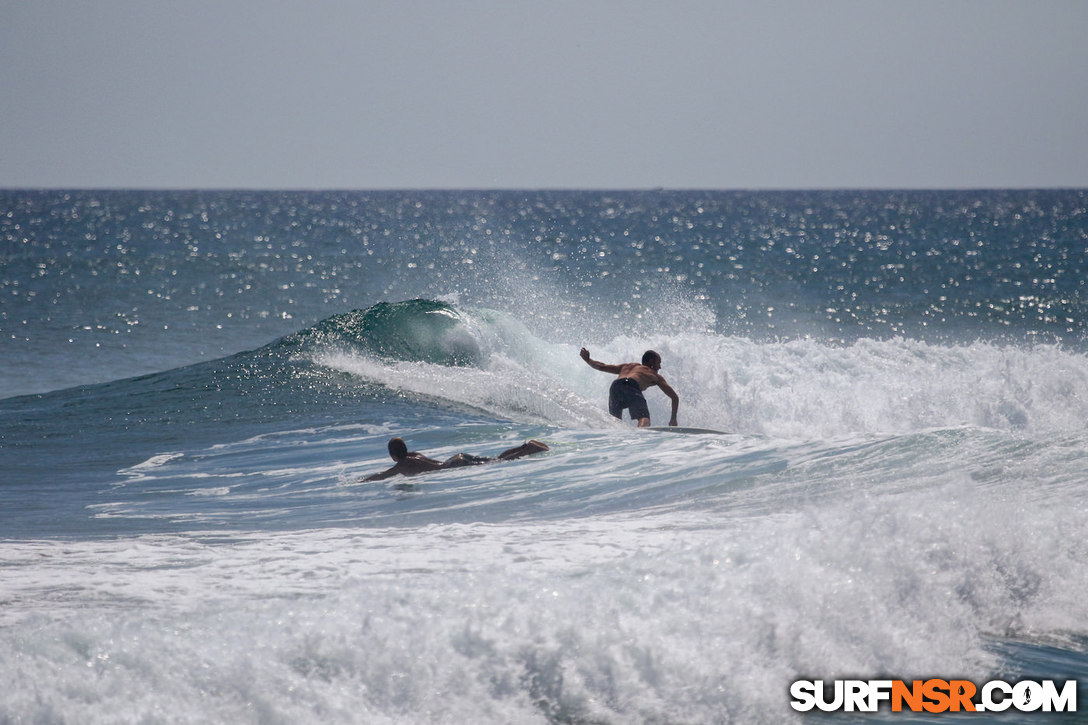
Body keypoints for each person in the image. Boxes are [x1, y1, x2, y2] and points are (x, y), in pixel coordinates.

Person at [362, 437, 549, 482]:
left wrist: (360, 481)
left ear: (393, 455)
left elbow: (382, 475)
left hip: (452, 465)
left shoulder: (402, 464)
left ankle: (529, 449)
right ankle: (525, 446)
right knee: (494, 459)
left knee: (498, 462)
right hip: (455, 459)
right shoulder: (413, 455)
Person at [580, 347, 679, 427]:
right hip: (631, 385)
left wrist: (588, 360)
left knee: (615, 422)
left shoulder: (628, 366)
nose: (660, 367)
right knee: (644, 418)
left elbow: (602, 366)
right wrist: (673, 419)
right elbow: (674, 397)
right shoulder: (654, 375)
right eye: (658, 363)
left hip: (615, 386)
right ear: (651, 361)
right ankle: (640, 436)